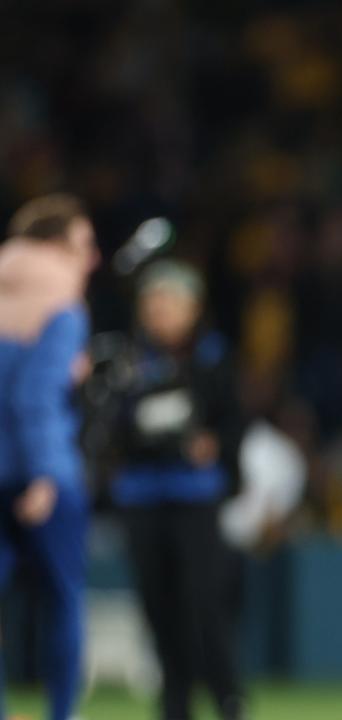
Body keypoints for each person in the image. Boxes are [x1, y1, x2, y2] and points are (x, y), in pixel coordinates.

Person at [106, 260, 244, 720]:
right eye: (153, 303)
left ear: (193, 308)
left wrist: (215, 448)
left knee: (203, 601)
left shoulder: (213, 356)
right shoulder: (125, 360)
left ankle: (228, 695)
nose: (160, 312)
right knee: (156, 603)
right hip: (142, 494)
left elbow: (234, 424)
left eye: (171, 302)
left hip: (195, 495)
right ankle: (174, 701)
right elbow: (108, 429)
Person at [0, 194, 98, 720]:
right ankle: (62, 715)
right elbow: (32, 397)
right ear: (58, 244)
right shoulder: (61, 301)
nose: (93, 256)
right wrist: (43, 473)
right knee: (64, 600)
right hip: (44, 473)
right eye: (84, 243)